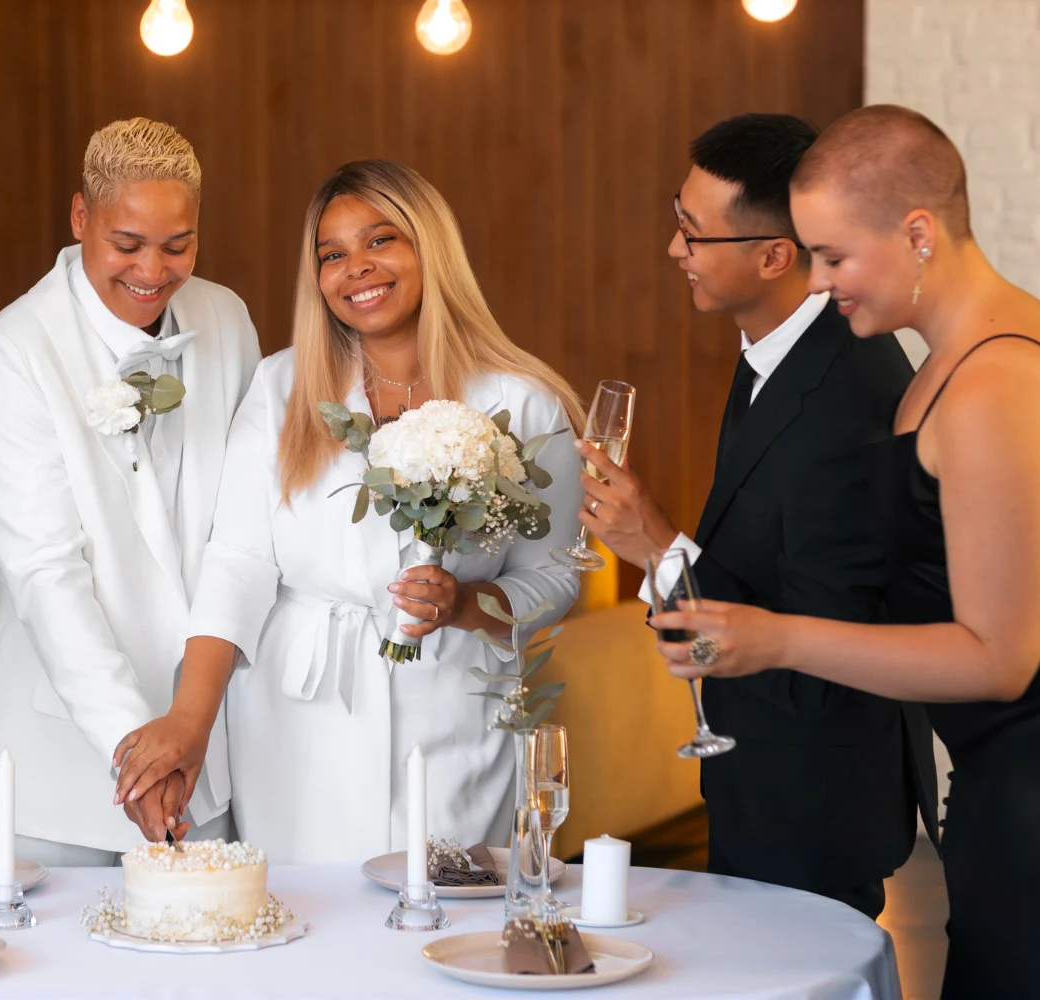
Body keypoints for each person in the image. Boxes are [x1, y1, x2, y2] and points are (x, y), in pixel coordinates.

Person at [653, 105, 1040, 998]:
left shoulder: (990, 382)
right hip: (986, 789)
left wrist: (775, 637)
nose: (819, 284)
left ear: (917, 233)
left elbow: (1002, 657)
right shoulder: (944, 365)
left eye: (831, 258)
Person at [112, 159, 585, 863]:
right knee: (310, 927)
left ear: (430, 247)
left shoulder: (521, 402)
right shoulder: (282, 387)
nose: (355, 268)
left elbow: (556, 578)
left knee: (446, 920)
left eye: (380, 241)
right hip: (299, 715)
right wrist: (191, 719)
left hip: (455, 708)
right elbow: (238, 564)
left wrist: (465, 605)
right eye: (331, 255)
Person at [578, 113, 934, 919]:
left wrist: (659, 545)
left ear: (776, 255)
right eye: (678, 218)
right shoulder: (778, 350)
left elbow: (830, 646)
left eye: (694, 235)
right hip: (766, 781)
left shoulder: (847, 397)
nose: (675, 251)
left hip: (815, 799)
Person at [0, 118, 261, 865]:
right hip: (52, 769)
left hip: (203, 762)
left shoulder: (227, 318)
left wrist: (187, 731)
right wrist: (139, 752)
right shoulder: (12, 353)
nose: (152, 269)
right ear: (80, 217)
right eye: (126, 244)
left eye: (178, 244)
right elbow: (45, 572)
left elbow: (245, 532)